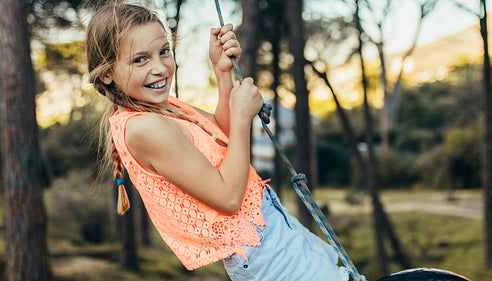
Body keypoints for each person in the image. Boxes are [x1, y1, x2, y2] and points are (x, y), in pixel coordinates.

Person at [86, 2, 348, 280]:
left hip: (274, 231)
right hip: (266, 256)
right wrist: (243, 118)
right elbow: (228, 197)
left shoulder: (160, 107)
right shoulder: (143, 127)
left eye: (164, 52)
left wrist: (222, 73)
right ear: (106, 73)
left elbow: (222, 137)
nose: (160, 68)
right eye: (140, 59)